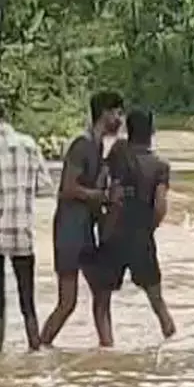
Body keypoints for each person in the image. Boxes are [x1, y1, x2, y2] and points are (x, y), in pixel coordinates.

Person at [39, 91, 124, 347]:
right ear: (105, 113)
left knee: (102, 293)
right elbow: (67, 188)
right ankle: (41, 346)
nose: (120, 119)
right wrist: (101, 196)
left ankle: (108, 350)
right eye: (117, 113)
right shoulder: (82, 145)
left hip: (85, 232)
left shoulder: (98, 148)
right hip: (69, 232)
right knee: (68, 302)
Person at [90, 109, 176, 345]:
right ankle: (169, 341)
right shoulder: (160, 166)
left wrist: (101, 217)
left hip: (113, 234)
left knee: (102, 299)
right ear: (152, 132)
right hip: (141, 237)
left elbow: (101, 183)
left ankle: (107, 347)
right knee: (157, 301)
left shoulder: (118, 152)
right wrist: (149, 229)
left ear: (129, 130)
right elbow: (160, 207)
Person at [0, 102, 53, 352]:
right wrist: (23, 193)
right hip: (22, 232)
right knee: (27, 299)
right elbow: (45, 185)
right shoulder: (29, 145)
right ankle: (34, 349)